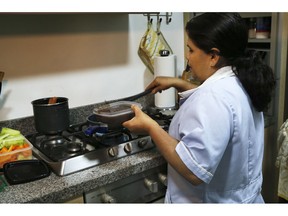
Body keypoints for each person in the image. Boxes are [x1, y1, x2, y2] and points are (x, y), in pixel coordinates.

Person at [123, 13, 276, 203]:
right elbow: (225, 105)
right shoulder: (242, 80)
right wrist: (179, 83)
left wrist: (150, 127)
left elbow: (194, 170)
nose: (188, 58)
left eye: (191, 50)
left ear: (213, 56)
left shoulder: (213, 97)